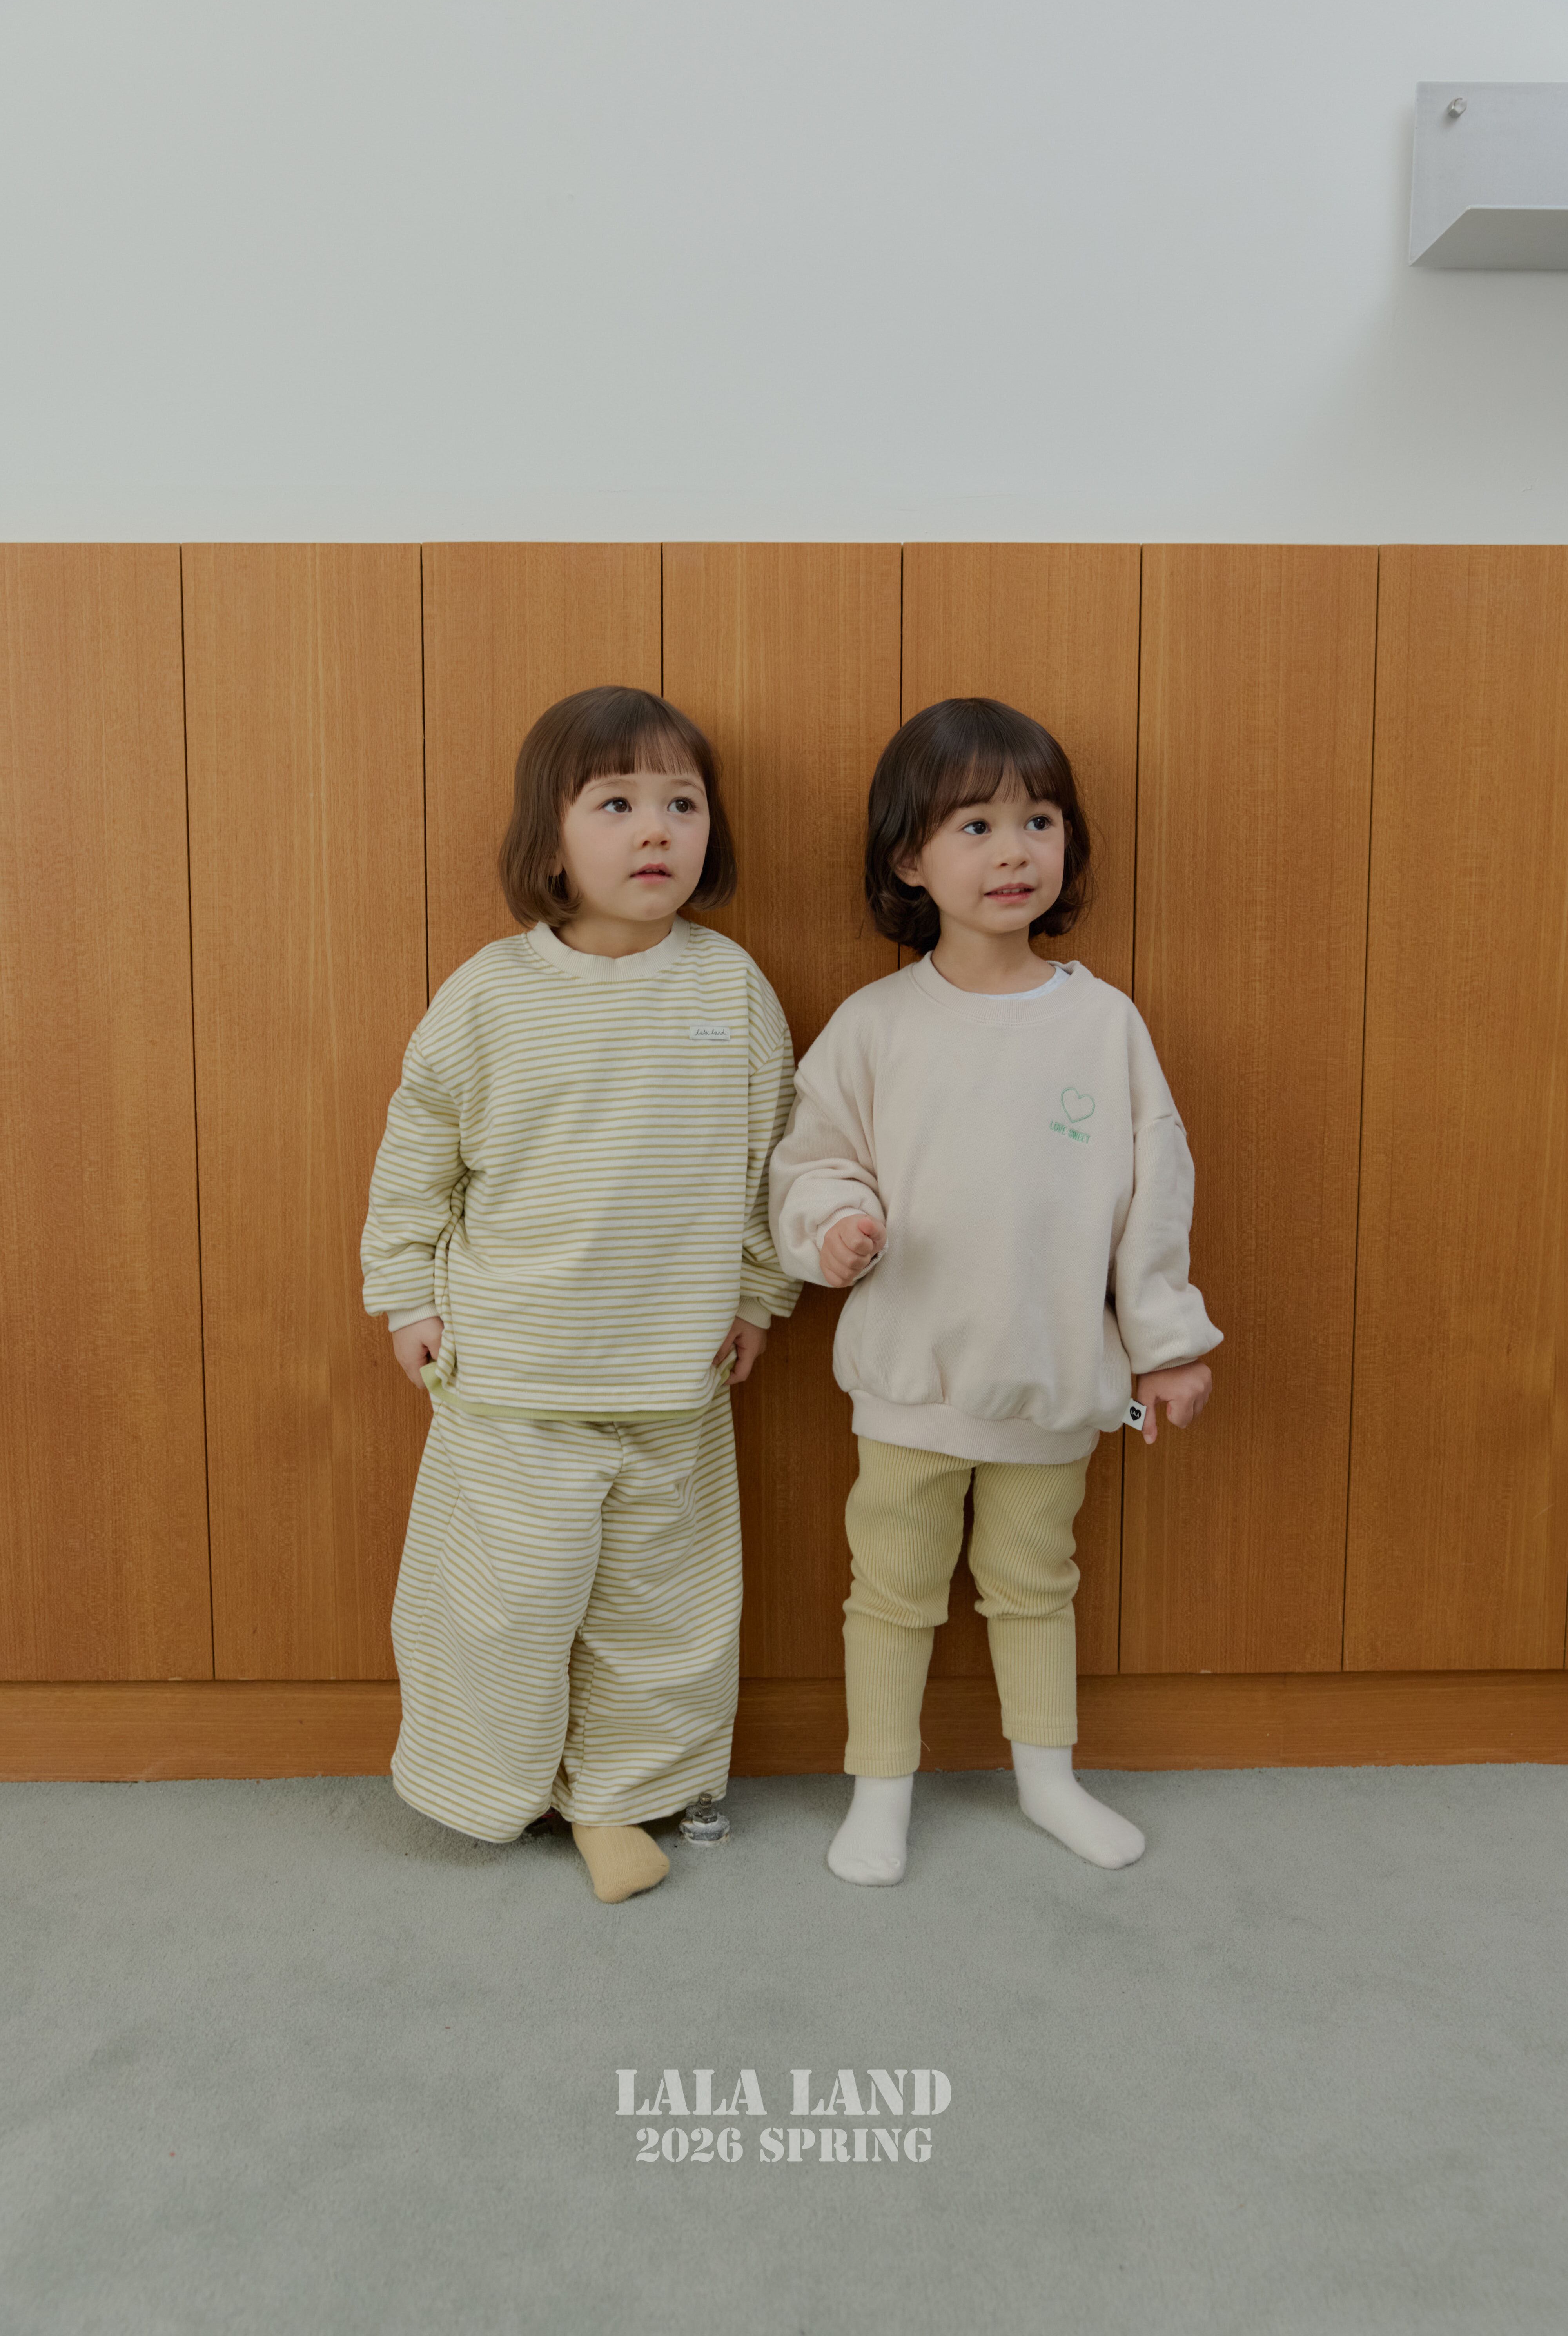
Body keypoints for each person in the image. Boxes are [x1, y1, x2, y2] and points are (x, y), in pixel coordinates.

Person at [769, 696, 1220, 1886]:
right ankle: (881, 1789)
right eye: (974, 826)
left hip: (1053, 1379)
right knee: (892, 1592)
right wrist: (834, 1230)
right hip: (910, 1380)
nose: (1013, 851)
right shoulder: (874, 1026)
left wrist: (1167, 1344)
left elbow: (1154, 1197)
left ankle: (1047, 1780)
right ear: (909, 861)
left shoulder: (1104, 1025)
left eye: (1038, 821)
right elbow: (812, 1160)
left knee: (1034, 1587)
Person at [362, 686, 799, 1903]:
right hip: (513, 1374)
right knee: (503, 1606)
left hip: (673, 1374)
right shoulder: (492, 995)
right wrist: (405, 1297)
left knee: (664, 1610)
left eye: (682, 804)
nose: (656, 829)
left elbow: (772, 1160)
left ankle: (621, 1797)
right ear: (550, 841)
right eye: (616, 804)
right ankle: (483, 1784)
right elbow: (417, 1159)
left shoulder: (731, 989)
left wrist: (759, 1298)